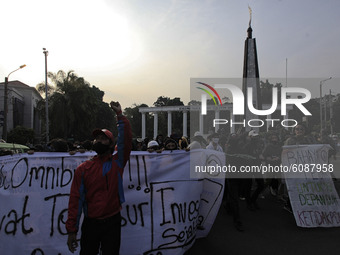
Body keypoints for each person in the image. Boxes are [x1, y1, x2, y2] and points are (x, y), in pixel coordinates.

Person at [66, 101, 132, 255]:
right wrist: (71, 231)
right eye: (96, 139)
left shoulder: (118, 162)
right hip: (91, 224)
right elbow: (75, 201)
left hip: (112, 222)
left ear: (111, 144)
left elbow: (126, 140)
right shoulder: (83, 169)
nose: (98, 141)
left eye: (103, 138)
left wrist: (120, 115)